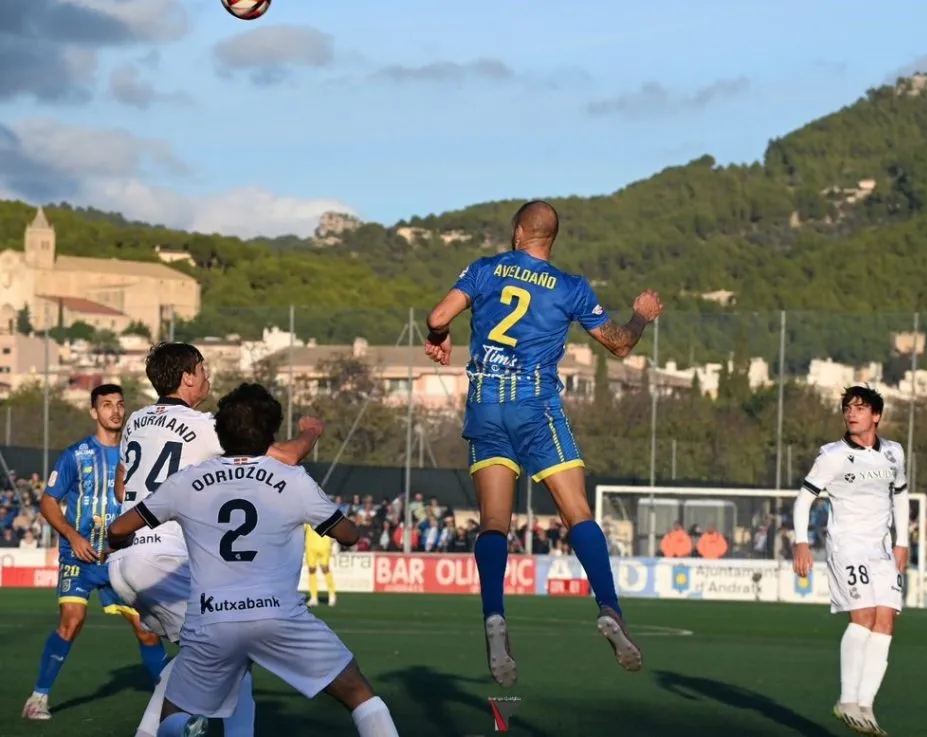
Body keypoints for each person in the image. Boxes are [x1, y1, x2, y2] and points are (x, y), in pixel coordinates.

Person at [424, 200, 662, 687]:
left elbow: (437, 315)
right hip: (535, 404)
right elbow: (618, 343)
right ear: (549, 239)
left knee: (493, 522)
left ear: (517, 232)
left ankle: (495, 617)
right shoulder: (571, 287)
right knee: (576, 513)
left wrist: (442, 335)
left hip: (487, 402)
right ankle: (610, 609)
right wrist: (640, 317)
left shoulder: (485, 269)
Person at [108, 383, 400, 737]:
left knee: (174, 713)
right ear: (271, 433)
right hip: (278, 615)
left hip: (212, 621)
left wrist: (121, 540)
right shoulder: (293, 480)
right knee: (358, 694)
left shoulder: (187, 481)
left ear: (220, 432)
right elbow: (350, 536)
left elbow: (119, 527)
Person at [106, 342, 323, 737]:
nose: (208, 377)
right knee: (235, 645)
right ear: (187, 376)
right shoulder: (203, 426)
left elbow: (123, 488)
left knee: (201, 652)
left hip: (124, 561)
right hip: (164, 558)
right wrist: (309, 434)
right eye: (203, 369)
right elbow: (286, 458)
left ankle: (149, 732)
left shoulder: (135, 420)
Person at [22, 384, 169, 721]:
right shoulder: (75, 454)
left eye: (119, 404)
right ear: (94, 412)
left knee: (146, 629)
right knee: (71, 622)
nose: (115, 411)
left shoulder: (137, 455)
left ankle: (172, 698)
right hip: (79, 557)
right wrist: (72, 536)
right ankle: (37, 699)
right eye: (106, 405)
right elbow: (47, 501)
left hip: (119, 558)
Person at [791, 385, 908, 737]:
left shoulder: (894, 453)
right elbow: (803, 500)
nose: (851, 413)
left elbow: (900, 496)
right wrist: (801, 542)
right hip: (848, 547)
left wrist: (902, 542)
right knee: (864, 617)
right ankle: (846, 699)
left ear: (877, 415)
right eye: (847, 408)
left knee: (886, 622)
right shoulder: (833, 455)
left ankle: (865, 706)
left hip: (882, 548)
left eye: (859, 408)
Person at [305, 523, 336, 606]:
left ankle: (332, 595)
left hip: (324, 544)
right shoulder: (306, 514)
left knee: (325, 569)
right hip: (310, 545)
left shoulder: (325, 513)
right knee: (311, 570)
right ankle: (313, 597)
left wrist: (333, 542)